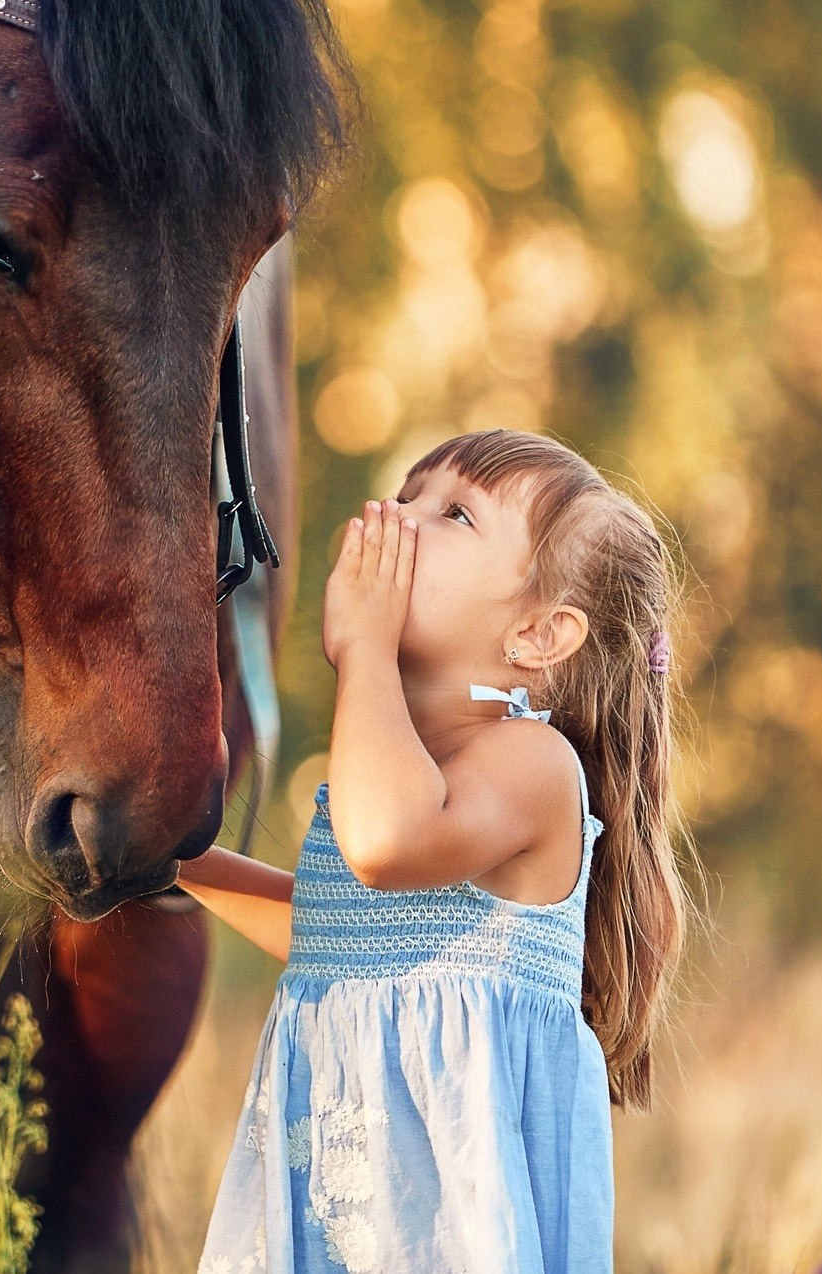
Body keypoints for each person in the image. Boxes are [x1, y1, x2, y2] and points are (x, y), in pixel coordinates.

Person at [178, 429, 691, 1274]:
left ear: (538, 635)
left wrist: (364, 651)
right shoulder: (398, 767)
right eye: (407, 491)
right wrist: (179, 858)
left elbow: (383, 847)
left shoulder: (532, 766)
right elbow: (338, 936)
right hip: (341, 1203)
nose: (395, 515)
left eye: (454, 512)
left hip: (443, 1226)